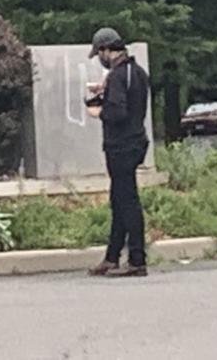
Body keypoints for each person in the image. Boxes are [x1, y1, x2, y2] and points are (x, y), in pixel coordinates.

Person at [84, 27, 151, 277]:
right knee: (119, 200)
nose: (100, 58)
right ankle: (112, 257)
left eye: (99, 52)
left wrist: (98, 111)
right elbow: (133, 105)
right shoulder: (138, 73)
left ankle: (136, 259)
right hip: (136, 142)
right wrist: (105, 92)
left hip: (120, 146)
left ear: (106, 50)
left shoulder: (117, 76)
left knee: (128, 201)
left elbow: (118, 113)